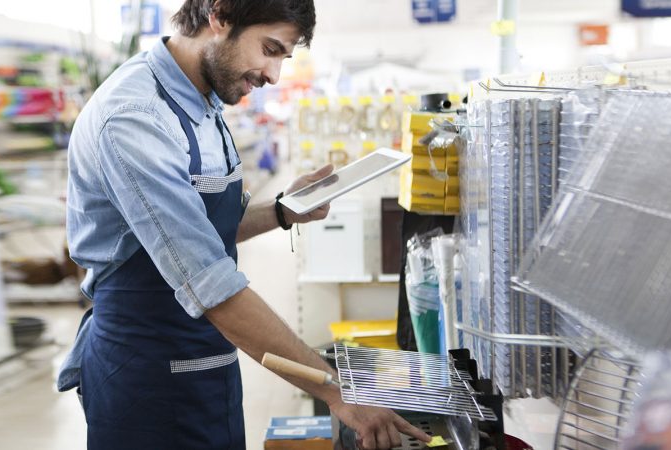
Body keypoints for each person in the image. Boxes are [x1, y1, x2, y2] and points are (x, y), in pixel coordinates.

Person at [58, 1, 433, 448]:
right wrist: (337, 392)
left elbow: (197, 231)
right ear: (219, 16)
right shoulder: (136, 118)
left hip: (208, 363)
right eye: (270, 49)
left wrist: (281, 211)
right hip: (145, 378)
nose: (274, 75)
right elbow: (207, 279)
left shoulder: (203, 102)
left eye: (283, 57)